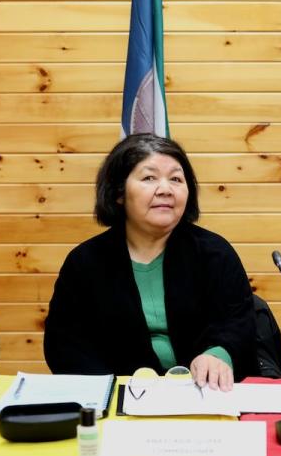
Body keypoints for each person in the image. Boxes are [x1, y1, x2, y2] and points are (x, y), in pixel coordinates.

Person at [43, 133, 256, 391]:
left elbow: (238, 323)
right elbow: (65, 344)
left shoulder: (215, 254)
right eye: (149, 178)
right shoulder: (85, 263)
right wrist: (110, 391)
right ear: (119, 192)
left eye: (176, 179)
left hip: (203, 394)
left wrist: (218, 354)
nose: (165, 189)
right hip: (118, 401)